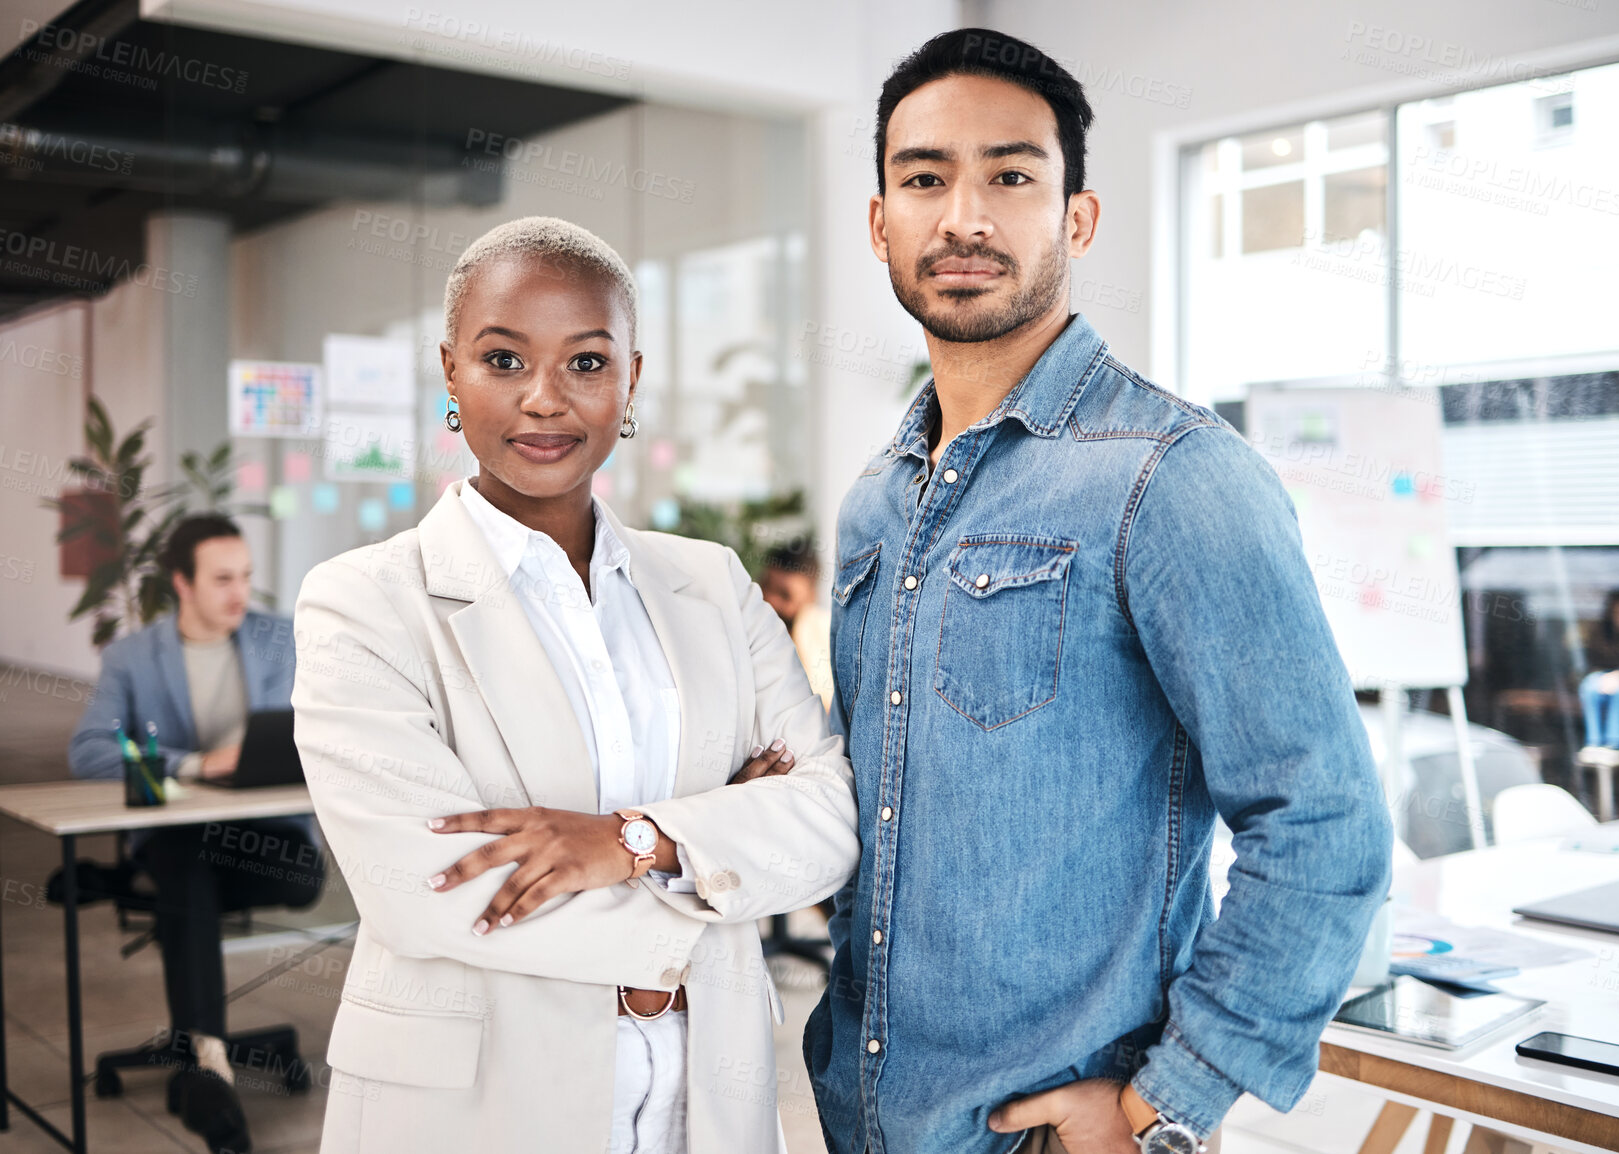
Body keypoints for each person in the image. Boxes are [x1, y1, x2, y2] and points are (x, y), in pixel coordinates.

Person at [803, 29, 1393, 1154]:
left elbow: (1324, 822)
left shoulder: (1170, 474)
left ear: (1077, 218)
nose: (964, 216)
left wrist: (1163, 1103)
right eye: (925, 178)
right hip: (868, 1118)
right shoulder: (877, 503)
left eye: (1011, 175)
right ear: (880, 222)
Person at [291, 215, 859, 1154]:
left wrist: (633, 839)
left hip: (704, 1102)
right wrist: (716, 850)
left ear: (631, 378)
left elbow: (831, 821)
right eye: (503, 360)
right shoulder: (364, 604)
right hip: (475, 1109)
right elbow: (425, 885)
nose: (544, 400)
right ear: (450, 373)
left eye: (586, 363)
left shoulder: (710, 583)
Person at [68, 514, 322, 1154]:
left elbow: (329, 725)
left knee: (191, 875)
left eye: (245, 577)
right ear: (181, 583)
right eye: (222, 579)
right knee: (185, 860)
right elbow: (89, 750)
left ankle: (124, 880)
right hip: (183, 836)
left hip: (269, 841)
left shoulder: (281, 639)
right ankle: (207, 1069)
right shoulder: (132, 656)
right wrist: (194, 765)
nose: (240, 594)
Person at [761, 537, 834, 710]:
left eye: (785, 595)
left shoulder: (822, 633)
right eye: (765, 585)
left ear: (811, 597)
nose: (770, 600)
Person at [1579, 589, 1619, 769]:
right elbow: (1591, 659)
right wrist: (1604, 676)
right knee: (1589, 685)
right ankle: (1593, 743)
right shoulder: (1600, 632)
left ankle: (1614, 745)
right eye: (1618, 611)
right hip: (1603, 676)